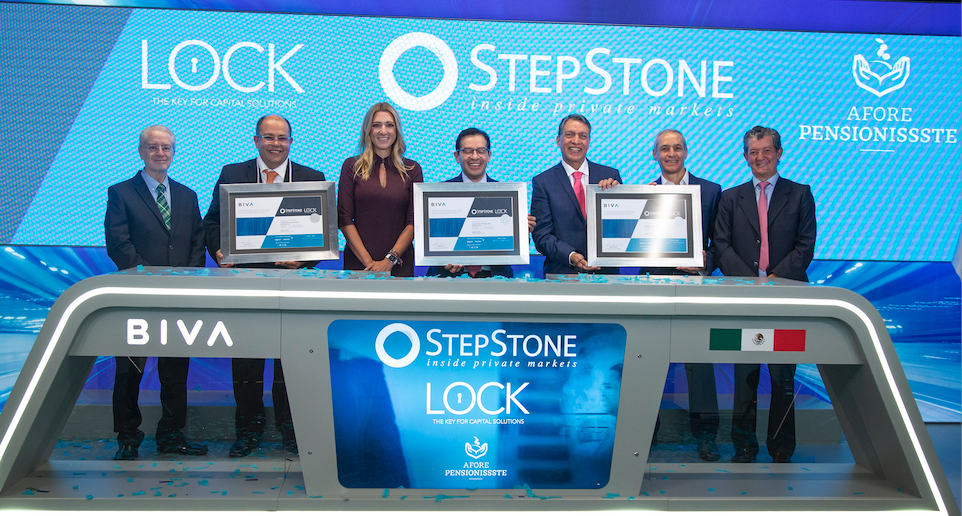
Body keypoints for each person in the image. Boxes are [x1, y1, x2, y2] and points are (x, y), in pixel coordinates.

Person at [203, 114, 326, 457]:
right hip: (246, 284)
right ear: (256, 140)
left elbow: (323, 234)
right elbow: (212, 223)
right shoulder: (232, 174)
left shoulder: (312, 178)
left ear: (291, 142)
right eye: (268, 137)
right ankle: (248, 432)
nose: (275, 144)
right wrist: (219, 251)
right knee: (247, 361)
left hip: (293, 286)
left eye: (282, 138)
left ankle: (291, 432)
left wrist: (304, 261)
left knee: (292, 362)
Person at [714, 125, 817, 463]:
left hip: (787, 299)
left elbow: (805, 247)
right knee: (745, 377)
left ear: (779, 153)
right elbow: (722, 246)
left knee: (782, 376)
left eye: (766, 150)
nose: (760, 157)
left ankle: (781, 447)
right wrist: (751, 283)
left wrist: (773, 280)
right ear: (745, 157)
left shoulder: (800, 194)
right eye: (753, 152)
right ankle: (744, 447)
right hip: (743, 299)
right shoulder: (730, 198)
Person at [104, 125, 207, 460]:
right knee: (129, 371)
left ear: (173, 152)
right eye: (153, 147)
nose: (160, 153)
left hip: (180, 296)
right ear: (141, 151)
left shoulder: (188, 195)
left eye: (166, 147)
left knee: (175, 371)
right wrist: (150, 277)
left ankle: (172, 435)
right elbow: (119, 244)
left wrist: (186, 277)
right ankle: (128, 438)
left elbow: (197, 242)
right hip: (137, 296)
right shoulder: (121, 193)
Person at [643, 128, 722, 462]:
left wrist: (706, 261)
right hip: (655, 287)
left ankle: (706, 437)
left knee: (700, 363)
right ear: (655, 155)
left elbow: (720, 241)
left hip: (695, 287)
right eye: (664, 149)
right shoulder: (643, 193)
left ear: (686, 152)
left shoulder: (711, 191)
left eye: (677, 148)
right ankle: (646, 434)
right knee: (647, 361)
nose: (671, 154)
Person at [338, 102, 423, 277]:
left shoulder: (412, 169)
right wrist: (369, 264)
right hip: (359, 264)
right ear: (368, 130)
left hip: (399, 264)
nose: (383, 131)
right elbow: (344, 218)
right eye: (376, 125)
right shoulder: (351, 166)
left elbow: (414, 221)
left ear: (397, 130)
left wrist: (389, 260)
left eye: (389, 125)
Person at [531, 114, 621, 276]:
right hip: (561, 275)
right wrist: (571, 256)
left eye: (583, 136)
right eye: (569, 134)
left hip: (606, 275)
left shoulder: (610, 177)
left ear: (589, 142)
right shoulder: (543, 182)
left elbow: (621, 228)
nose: (576, 141)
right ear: (558, 141)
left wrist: (620, 198)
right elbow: (541, 235)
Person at [426, 127, 513, 279]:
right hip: (447, 279)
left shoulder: (507, 194)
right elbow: (432, 240)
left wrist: (522, 229)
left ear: (489, 155)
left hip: (497, 279)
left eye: (481, 151)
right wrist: (441, 259)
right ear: (457, 156)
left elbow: (515, 246)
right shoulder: (438, 193)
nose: (474, 156)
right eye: (467, 151)